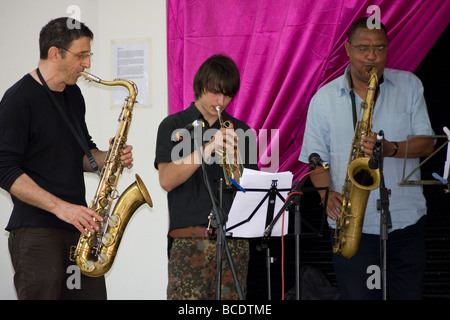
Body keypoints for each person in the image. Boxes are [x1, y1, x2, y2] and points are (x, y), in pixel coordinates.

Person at [299, 17, 434, 300]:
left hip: (405, 222)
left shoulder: (410, 86)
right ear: (347, 49)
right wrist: (327, 196)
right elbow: (315, 159)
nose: (372, 56)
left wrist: (391, 149)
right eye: (363, 49)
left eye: (380, 48)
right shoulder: (323, 99)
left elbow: (426, 143)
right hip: (353, 226)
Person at [0, 17, 134, 300]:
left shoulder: (73, 95)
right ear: (54, 53)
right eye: (81, 55)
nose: (87, 64)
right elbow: (4, 169)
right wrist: (61, 208)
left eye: (89, 55)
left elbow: (83, 154)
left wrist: (109, 158)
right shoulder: (18, 99)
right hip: (36, 232)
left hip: (78, 229)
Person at [155, 54, 258, 300]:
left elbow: (250, 192)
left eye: (227, 95)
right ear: (200, 86)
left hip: (234, 245)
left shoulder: (243, 131)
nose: (220, 100)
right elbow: (166, 180)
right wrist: (207, 147)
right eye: (214, 92)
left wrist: (235, 160)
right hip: (189, 243)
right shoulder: (173, 125)